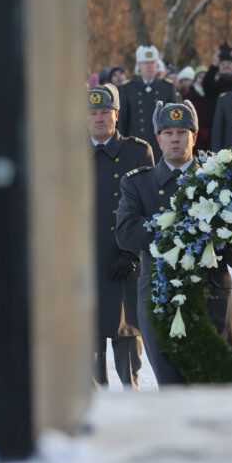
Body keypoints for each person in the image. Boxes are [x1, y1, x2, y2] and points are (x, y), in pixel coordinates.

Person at [116, 100, 232, 385]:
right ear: (158, 138)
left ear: (194, 136)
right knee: (173, 391)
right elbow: (126, 234)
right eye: (168, 132)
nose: (175, 138)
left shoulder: (221, 180)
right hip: (159, 300)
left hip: (212, 298)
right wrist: (184, 227)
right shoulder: (139, 184)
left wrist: (226, 236)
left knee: (217, 389)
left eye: (182, 131)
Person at [88, 84, 154, 390]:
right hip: (85, 262)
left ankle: (133, 405)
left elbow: (150, 208)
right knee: (88, 340)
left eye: (105, 113)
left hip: (125, 260)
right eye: (93, 113)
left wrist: (133, 254)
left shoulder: (137, 152)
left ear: (117, 114)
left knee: (127, 336)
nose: (100, 119)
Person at [117, 45, 178, 159]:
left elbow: (174, 120)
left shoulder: (167, 87)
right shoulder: (128, 88)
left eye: (152, 62)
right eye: (145, 63)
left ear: (157, 64)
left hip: (161, 146)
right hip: (136, 145)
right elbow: (123, 121)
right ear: (139, 65)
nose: (149, 66)